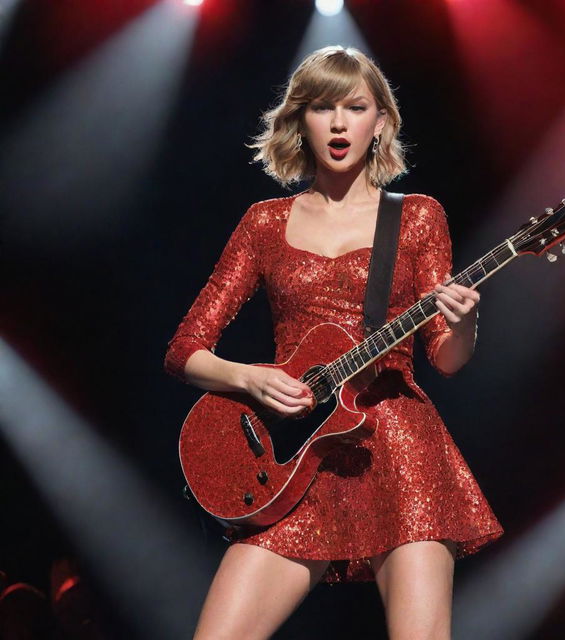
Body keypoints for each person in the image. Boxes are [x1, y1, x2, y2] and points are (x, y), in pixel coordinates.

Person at [164, 45, 503, 640]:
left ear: (381, 121)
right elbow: (185, 348)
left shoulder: (418, 217)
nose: (340, 123)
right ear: (300, 119)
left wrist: (466, 320)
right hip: (293, 458)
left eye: (356, 106)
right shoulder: (264, 222)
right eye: (322, 108)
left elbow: (446, 358)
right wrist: (251, 377)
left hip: (400, 451)